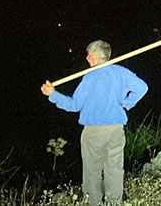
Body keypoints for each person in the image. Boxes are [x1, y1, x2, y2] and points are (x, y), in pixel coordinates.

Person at [42, 40, 148, 204]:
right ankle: (114, 202)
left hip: (94, 132)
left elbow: (74, 105)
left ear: (96, 57)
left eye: (89, 55)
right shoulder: (121, 73)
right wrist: (127, 103)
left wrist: (53, 94)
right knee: (114, 170)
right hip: (116, 130)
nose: (86, 58)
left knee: (92, 172)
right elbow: (142, 87)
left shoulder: (90, 78)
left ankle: (94, 203)